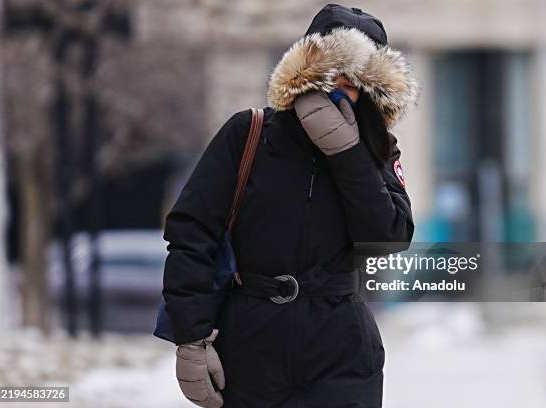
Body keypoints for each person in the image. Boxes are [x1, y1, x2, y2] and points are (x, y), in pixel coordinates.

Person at [163, 4, 419, 407]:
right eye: (331, 72)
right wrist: (190, 338)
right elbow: (191, 232)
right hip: (252, 342)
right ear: (306, 71)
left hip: (342, 348)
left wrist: (347, 153)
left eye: (355, 79)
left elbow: (388, 239)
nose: (341, 88)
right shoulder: (248, 134)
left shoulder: (377, 151)